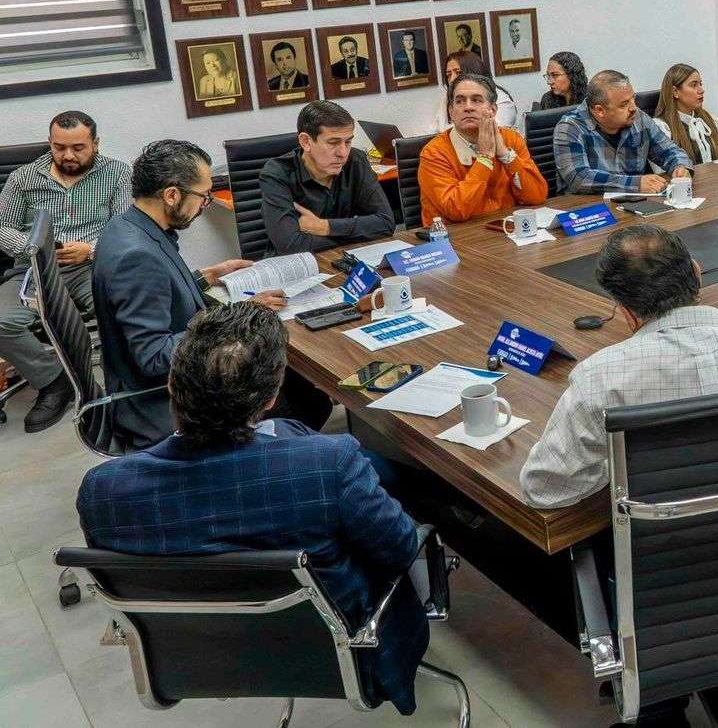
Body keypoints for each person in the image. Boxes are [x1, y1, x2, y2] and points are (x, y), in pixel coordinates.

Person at [518, 225, 718, 727]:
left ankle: (658, 708)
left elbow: (544, 489)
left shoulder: (603, 378)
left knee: (599, 536)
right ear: (697, 275)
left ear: (625, 310)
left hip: (664, 582)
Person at [76, 303, 432, 715]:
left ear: (172, 385)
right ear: (272, 397)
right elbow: (400, 548)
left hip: (200, 657)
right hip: (346, 654)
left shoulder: (102, 492)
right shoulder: (326, 465)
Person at [93, 140, 288, 449]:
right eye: (203, 196)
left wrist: (205, 277)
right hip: (162, 405)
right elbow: (154, 357)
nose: (204, 204)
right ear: (172, 195)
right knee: (295, 397)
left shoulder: (128, 227)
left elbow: (158, 295)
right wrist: (238, 316)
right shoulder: (138, 257)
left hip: (162, 389)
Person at [0, 112, 130, 432]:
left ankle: (127, 387)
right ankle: (55, 381)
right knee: (1, 321)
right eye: (59, 147)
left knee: (126, 307)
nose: (68, 155)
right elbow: (2, 228)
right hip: (34, 268)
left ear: (95, 144)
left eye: (78, 148)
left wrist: (91, 249)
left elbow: (126, 228)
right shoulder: (23, 178)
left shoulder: (117, 174)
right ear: (50, 143)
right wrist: (35, 248)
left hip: (91, 266)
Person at [260, 101, 396, 255]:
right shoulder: (277, 173)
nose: (343, 153)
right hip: (298, 265)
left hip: (345, 258)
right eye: (333, 143)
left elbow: (386, 224)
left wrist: (324, 227)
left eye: (348, 142)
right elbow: (291, 247)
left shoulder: (356, 160)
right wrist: (355, 233)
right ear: (305, 142)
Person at [418, 73, 547, 223]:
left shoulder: (511, 139)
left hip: (505, 229)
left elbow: (537, 196)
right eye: (460, 101)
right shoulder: (433, 153)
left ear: (493, 109)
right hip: (458, 234)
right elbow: (456, 210)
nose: (468, 107)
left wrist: (506, 155)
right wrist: (485, 158)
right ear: (451, 112)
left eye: (476, 100)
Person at [553, 71, 692, 194]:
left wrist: (680, 167)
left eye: (633, 99)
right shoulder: (570, 127)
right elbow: (579, 178)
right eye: (624, 104)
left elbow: (669, 150)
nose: (634, 108)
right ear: (600, 110)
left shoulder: (638, 118)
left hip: (633, 203)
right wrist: (635, 184)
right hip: (585, 209)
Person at [652, 64, 718, 166]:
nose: (701, 90)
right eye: (694, 85)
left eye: (700, 84)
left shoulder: (711, 120)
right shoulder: (661, 127)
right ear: (675, 92)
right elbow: (663, 171)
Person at [433, 51, 517, 132]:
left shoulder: (502, 101)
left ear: (474, 72)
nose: (452, 79)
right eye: (449, 75)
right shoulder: (448, 99)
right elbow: (436, 129)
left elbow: (491, 133)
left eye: (458, 72)